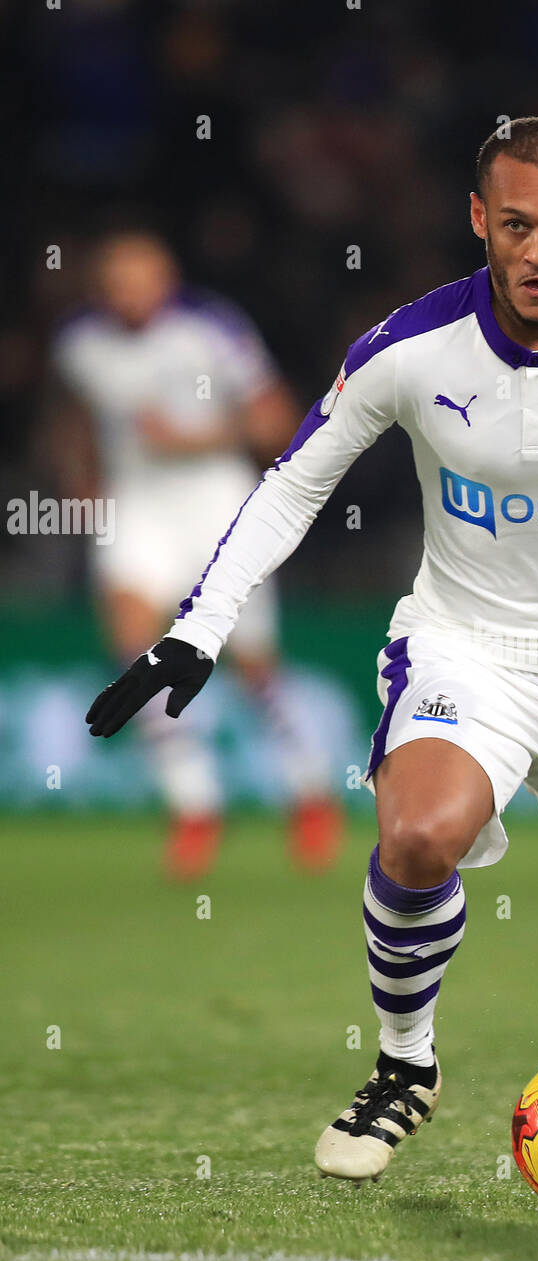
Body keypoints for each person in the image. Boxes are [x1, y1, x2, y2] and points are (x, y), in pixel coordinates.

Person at [86, 120, 538, 1185]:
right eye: (517, 224)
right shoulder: (409, 346)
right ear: (480, 221)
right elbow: (295, 480)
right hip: (463, 644)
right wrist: (197, 627)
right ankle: (404, 1068)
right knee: (420, 833)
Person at [55, 231, 345, 878]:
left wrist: (193, 439)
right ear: (102, 288)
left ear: (167, 279)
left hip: (216, 503)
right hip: (137, 507)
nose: (132, 294)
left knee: (251, 667)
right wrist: (81, 477)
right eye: (118, 282)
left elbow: (275, 421)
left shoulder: (210, 329)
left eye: (144, 279)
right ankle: (194, 806)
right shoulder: (79, 342)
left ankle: (311, 791)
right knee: (134, 650)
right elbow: (75, 414)